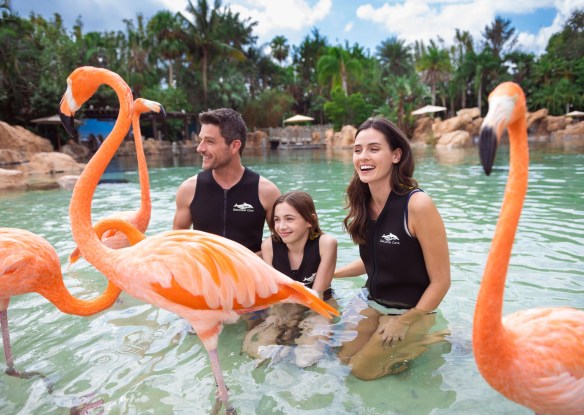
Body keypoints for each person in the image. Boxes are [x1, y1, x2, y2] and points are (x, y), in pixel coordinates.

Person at [334, 117, 451, 380]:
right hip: (373, 302)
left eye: (374, 149)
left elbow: (442, 281)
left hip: (411, 311)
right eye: (358, 149)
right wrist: (330, 274)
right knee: (341, 359)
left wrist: (405, 320)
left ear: (396, 155)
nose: (364, 156)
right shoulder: (362, 201)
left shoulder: (417, 205)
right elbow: (375, 261)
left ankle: (433, 337)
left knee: (362, 371)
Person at [242, 191, 338, 367]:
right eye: (277, 220)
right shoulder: (269, 245)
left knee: (307, 359)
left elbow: (316, 296)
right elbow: (273, 292)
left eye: (289, 219)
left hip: (319, 306)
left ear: (310, 220)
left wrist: (293, 324)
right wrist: (280, 318)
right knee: (256, 349)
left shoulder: (326, 244)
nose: (281, 226)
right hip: (283, 306)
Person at [173, 108, 281, 255]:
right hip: (206, 275)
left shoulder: (266, 191)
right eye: (200, 140)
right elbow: (176, 244)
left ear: (234, 146)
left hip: (249, 275)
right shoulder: (189, 189)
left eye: (210, 141)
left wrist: (251, 261)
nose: (200, 148)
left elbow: (284, 242)